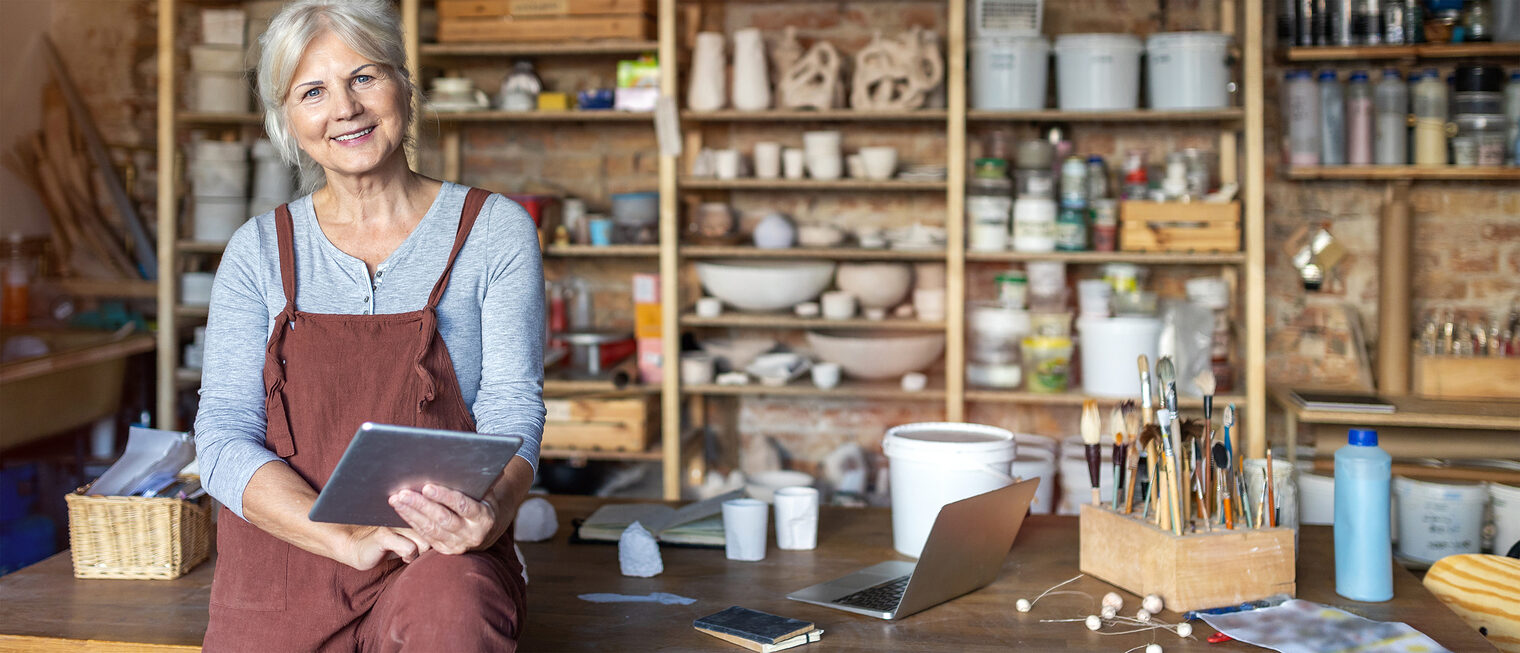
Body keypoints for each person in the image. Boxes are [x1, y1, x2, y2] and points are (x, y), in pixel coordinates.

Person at [193, 0, 545, 649]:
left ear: (405, 87)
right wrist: (338, 535)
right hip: (286, 557)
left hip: (435, 552)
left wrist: (490, 511)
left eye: (364, 76)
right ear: (288, 120)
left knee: (453, 617)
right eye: (313, 91)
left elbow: (513, 408)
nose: (345, 107)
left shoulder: (494, 231)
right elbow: (220, 437)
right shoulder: (258, 250)